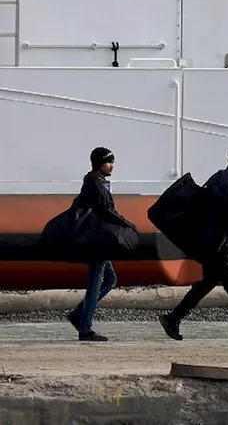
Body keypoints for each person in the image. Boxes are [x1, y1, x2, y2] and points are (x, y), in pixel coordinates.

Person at [159, 145, 228, 341]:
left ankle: (174, 318)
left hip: (209, 244)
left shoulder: (218, 178)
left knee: (211, 284)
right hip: (223, 249)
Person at [66, 147, 133, 342]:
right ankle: (85, 329)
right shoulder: (95, 183)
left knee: (110, 280)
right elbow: (106, 210)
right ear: (99, 163)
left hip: (98, 238)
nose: (112, 165)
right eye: (108, 161)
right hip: (97, 240)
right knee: (95, 283)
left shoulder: (97, 181)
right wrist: (127, 224)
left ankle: (79, 314)